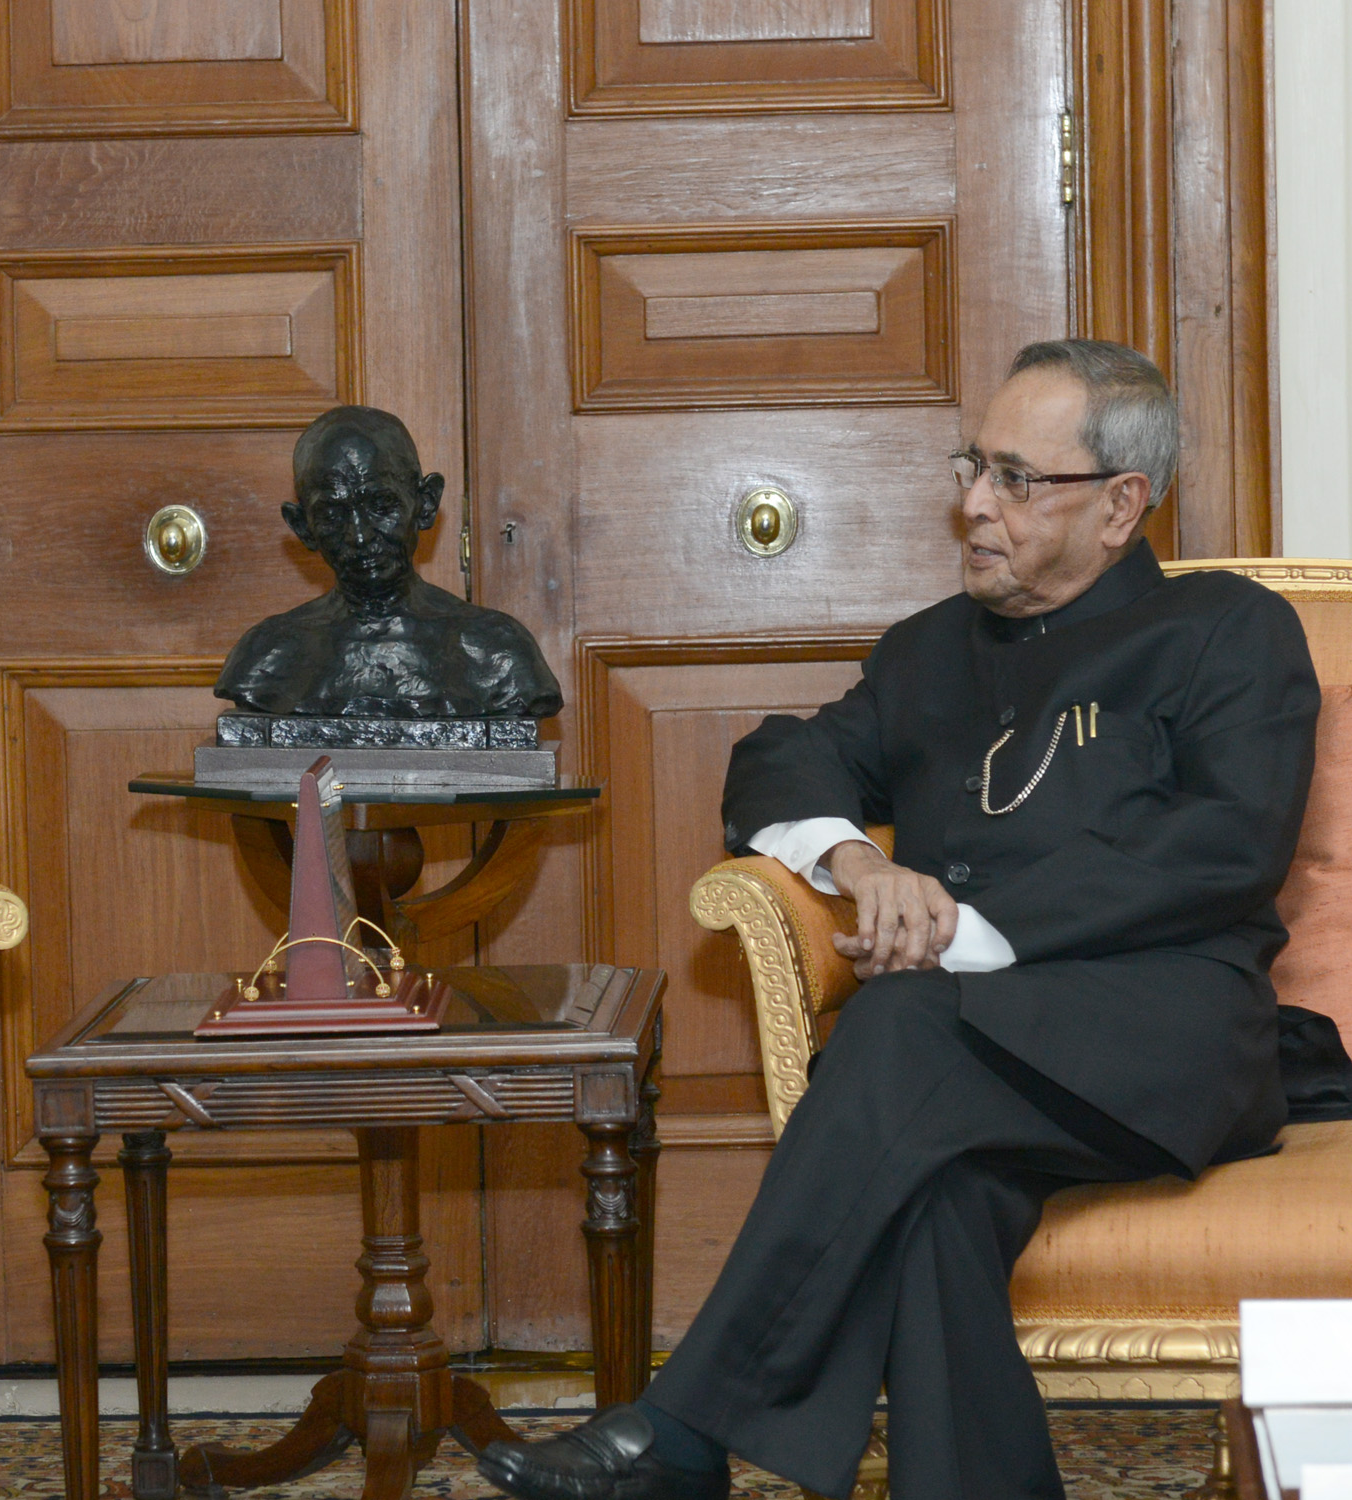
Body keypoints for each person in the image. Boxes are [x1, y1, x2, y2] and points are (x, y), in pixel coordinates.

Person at [478, 340, 1319, 1500]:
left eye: (1018, 479)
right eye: (975, 464)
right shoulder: (929, 652)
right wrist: (858, 860)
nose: (974, 502)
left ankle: (684, 1434)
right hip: (969, 1056)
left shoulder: (1227, 629)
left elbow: (1227, 844)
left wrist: (963, 928)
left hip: (1164, 1034)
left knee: (901, 1026)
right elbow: (781, 757)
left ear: (1122, 504)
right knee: (932, 1198)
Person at [215, 405, 562, 719]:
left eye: (381, 506)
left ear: (425, 504)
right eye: (333, 515)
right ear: (303, 527)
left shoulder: (497, 654)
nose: (360, 536)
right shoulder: (266, 659)